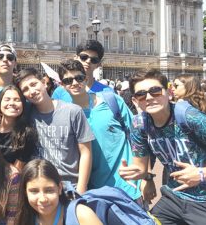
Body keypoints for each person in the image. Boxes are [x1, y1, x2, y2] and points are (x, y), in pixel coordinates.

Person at [119, 68, 206, 224]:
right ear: (135, 101)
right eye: (141, 94)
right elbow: (141, 167)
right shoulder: (139, 124)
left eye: (155, 91)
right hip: (174, 197)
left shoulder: (190, 117)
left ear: (169, 93)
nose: (149, 98)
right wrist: (139, 175)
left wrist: (201, 174)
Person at [57, 60, 140, 201]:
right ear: (62, 85)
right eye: (68, 80)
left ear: (86, 78)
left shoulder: (112, 101)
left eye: (79, 78)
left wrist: (146, 175)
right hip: (95, 189)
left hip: (127, 185)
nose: (75, 83)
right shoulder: (66, 114)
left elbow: (137, 135)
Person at [15, 68, 94, 193]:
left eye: (34, 84)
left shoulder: (73, 111)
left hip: (70, 187)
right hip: (38, 185)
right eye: (25, 89)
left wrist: (81, 189)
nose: (32, 91)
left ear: (44, 82)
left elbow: (86, 152)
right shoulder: (26, 114)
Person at [14, 159, 102, 225]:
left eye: (49, 190)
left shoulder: (81, 215)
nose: (42, 199)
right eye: (34, 191)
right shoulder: (23, 218)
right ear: (25, 192)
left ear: (60, 188)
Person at [0, 85, 38, 171]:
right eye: (7, 99)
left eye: (17, 100)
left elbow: (16, 170)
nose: (11, 103)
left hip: (8, 179)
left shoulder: (27, 133)